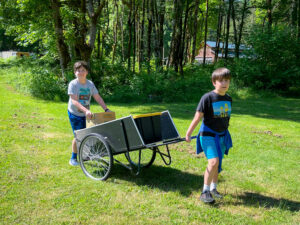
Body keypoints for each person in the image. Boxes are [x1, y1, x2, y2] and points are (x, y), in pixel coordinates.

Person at [185, 67, 233, 203]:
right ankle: (205, 191)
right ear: (214, 82)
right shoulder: (207, 98)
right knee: (213, 162)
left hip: (222, 136)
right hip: (207, 134)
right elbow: (197, 117)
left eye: (227, 81)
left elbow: (225, 118)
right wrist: (188, 133)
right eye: (221, 80)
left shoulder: (228, 98)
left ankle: (213, 188)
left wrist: (225, 133)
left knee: (217, 163)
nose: (225, 83)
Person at [68, 61, 111, 166]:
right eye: (78, 70)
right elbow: (74, 101)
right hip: (75, 114)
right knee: (78, 135)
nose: (81, 72)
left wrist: (106, 109)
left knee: (88, 134)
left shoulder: (90, 84)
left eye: (83, 70)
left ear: (87, 72)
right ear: (75, 72)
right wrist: (86, 110)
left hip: (86, 114)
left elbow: (97, 97)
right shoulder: (73, 84)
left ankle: (85, 155)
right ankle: (73, 158)